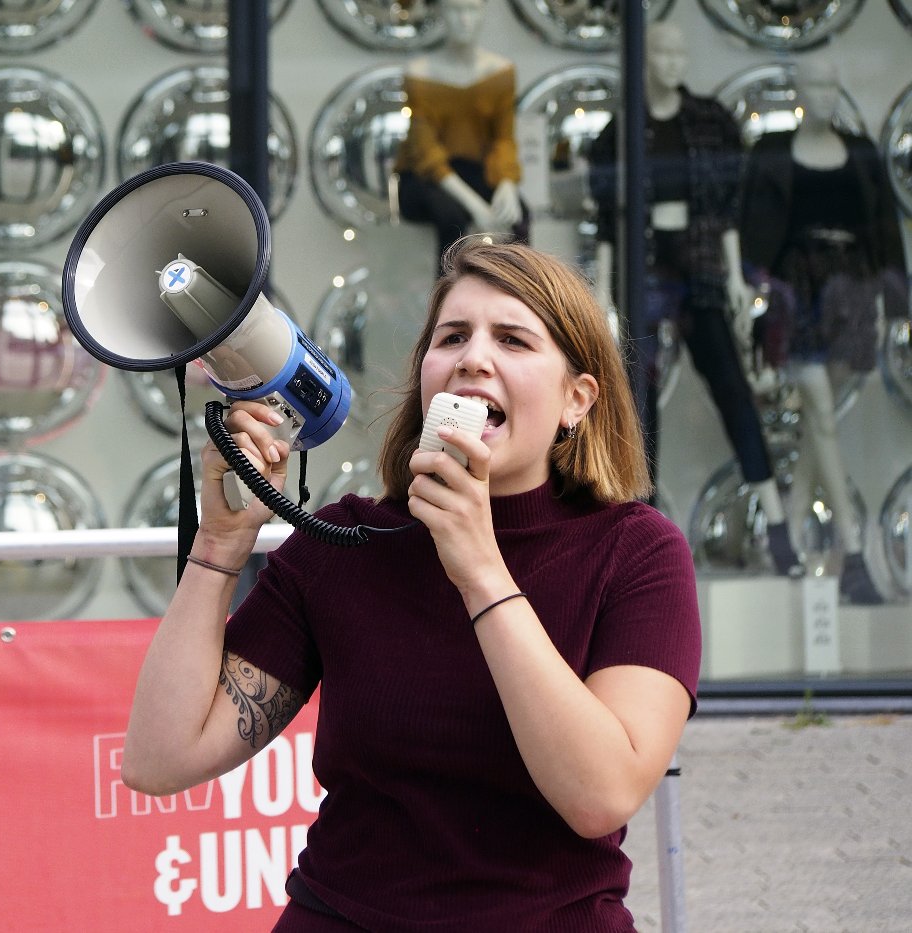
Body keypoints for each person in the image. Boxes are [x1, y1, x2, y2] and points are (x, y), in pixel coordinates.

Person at [122, 237, 701, 930]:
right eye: (452, 336)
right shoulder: (343, 546)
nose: (472, 358)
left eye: (513, 340)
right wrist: (218, 546)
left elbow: (600, 794)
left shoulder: (635, 553)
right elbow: (159, 759)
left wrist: (480, 569)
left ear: (577, 400)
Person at [588, 20, 802, 577]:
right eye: (661, 50)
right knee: (641, 405)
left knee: (732, 388)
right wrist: (606, 300)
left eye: (680, 50)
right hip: (645, 275)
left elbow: (724, 211)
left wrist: (734, 276)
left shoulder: (709, 123)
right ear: (644, 58)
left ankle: (778, 525)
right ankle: (638, 527)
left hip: (702, 271)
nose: (672, 61)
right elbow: (609, 224)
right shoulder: (621, 133)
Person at [738, 61, 910, 605]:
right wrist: (750, 288)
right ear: (798, 92)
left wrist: (896, 298)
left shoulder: (860, 151)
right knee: (821, 413)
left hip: (851, 295)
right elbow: (749, 223)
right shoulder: (771, 150)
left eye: (833, 85)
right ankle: (854, 551)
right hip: (798, 292)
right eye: (815, 85)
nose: (825, 95)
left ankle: (786, 537)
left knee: (821, 419)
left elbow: (885, 225)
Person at [393, 0, 528, 271]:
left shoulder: (499, 72)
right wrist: (475, 205)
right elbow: (427, 152)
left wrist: (507, 183)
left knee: (519, 215)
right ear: (442, 14)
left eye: (471, 10)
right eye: (455, 10)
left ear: (482, 14)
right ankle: (446, 305)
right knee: (452, 217)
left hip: (474, 170)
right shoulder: (419, 74)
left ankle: (521, 297)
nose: (464, 20)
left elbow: (504, 137)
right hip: (424, 178)